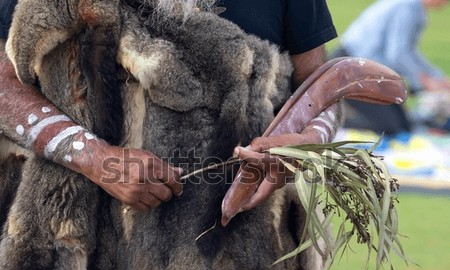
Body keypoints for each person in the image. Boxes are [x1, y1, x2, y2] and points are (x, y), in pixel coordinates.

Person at [0, 0, 341, 213]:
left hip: (243, 262)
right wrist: (96, 158)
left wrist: (304, 144)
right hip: (87, 247)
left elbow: (321, 89)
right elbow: (4, 85)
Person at [332, 0, 450, 135]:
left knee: (404, 125)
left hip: (370, 71)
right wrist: (426, 81)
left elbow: (409, 53)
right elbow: (398, 54)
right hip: (354, 69)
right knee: (389, 127)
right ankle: (335, 123)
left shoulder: (415, 9)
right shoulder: (407, 7)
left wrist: (437, 78)